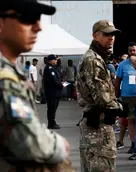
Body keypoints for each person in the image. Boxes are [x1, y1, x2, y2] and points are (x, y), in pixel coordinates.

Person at [0, 0, 71, 171]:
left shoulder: (12, 70)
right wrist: (60, 145)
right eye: (28, 18)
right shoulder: (4, 78)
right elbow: (30, 143)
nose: (38, 27)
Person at [77, 19, 123, 172]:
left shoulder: (97, 57)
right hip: (98, 128)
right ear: (95, 36)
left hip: (95, 125)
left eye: (113, 35)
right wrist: (119, 105)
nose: (111, 38)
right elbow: (102, 98)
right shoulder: (94, 60)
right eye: (106, 34)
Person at [114, 42, 136, 153]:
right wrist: (116, 95)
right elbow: (117, 80)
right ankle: (133, 144)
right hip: (127, 97)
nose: (132, 52)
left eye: (134, 50)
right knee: (130, 121)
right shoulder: (122, 65)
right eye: (130, 50)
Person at [43, 54, 64, 129]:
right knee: (51, 109)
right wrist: (61, 85)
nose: (56, 61)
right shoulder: (49, 68)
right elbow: (54, 80)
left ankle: (52, 122)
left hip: (55, 92)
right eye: (55, 59)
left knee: (53, 109)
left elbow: (57, 78)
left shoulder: (53, 68)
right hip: (52, 93)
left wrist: (61, 83)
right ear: (51, 60)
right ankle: (51, 124)